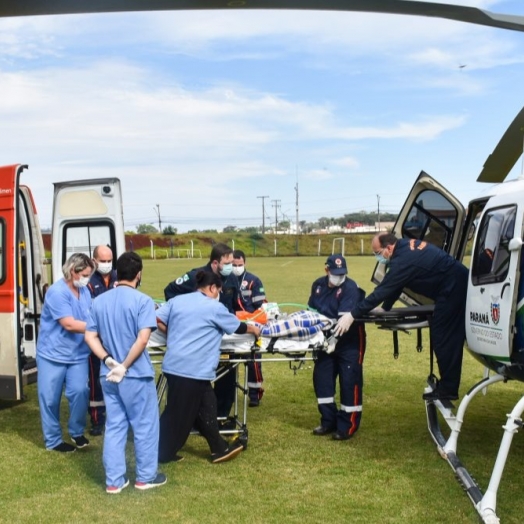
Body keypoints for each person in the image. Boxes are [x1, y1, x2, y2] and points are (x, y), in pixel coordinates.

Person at [335, 233, 468, 402]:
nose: (378, 257)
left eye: (378, 253)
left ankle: (448, 389)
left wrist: (352, 315)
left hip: (454, 287)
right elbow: (398, 284)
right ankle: (448, 386)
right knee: (442, 335)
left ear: (389, 248)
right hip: (454, 283)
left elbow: (382, 291)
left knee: (444, 337)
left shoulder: (402, 261)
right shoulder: (403, 248)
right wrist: (385, 307)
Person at [156, 271, 260, 464]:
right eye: (218, 291)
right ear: (212, 288)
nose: (218, 294)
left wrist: (172, 333)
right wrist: (253, 329)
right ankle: (159, 453)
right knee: (178, 415)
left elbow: (157, 319)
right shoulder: (214, 307)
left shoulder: (177, 301)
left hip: (177, 366)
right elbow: (237, 327)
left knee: (207, 405)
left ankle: (218, 448)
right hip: (192, 369)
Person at [85, 252, 166, 494]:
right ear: (138, 274)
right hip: (135, 375)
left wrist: (108, 360)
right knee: (145, 426)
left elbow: (90, 336)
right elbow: (143, 339)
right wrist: (125, 365)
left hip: (108, 375)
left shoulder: (99, 301)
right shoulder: (143, 301)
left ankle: (114, 480)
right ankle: (146, 476)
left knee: (115, 426)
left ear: (117, 273)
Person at [164, 243, 240, 420]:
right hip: (199, 339)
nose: (230, 266)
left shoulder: (232, 279)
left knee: (228, 377)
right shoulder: (195, 277)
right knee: (196, 382)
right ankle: (194, 417)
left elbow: (233, 307)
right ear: (215, 263)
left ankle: (221, 417)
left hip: (223, 337)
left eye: (232, 262)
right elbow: (170, 291)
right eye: (227, 263)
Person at [36, 252, 95, 453]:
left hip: (78, 354)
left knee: (80, 392)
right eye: (85, 274)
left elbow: (91, 313)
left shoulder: (84, 291)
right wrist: (98, 327)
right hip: (52, 354)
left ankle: (76, 431)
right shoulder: (57, 292)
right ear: (72, 271)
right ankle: (53, 440)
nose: (87, 278)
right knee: (49, 399)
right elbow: (69, 324)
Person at [308, 254, 366, 441]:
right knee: (322, 379)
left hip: (349, 341)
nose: (339, 277)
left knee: (349, 381)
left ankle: (347, 426)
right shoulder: (318, 285)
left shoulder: (351, 288)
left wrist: (333, 340)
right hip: (324, 342)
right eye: (335, 273)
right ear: (327, 270)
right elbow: (312, 313)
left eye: (342, 274)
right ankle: (328, 421)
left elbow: (343, 323)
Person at [87, 244, 118, 436]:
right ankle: (97, 419)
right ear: (94, 260)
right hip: (97, 339)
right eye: (103, 261)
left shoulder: (119, 278)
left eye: (109, 261)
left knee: (117, 377)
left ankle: (117, 417)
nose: (106, 264)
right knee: (96, 381)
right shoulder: (89, 282)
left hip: (116, 337)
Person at [232, 249, 266, 407]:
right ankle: (228, 392)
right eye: (234, 265)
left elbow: (261, 307)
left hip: (251, 327)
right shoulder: (224, 280)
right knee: (227, 361)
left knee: (254, 361)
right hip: (232, 326)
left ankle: (255, 394)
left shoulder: (253, 281)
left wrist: (250, 318)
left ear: (244, 263)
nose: (237, 267)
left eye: (239, 265)